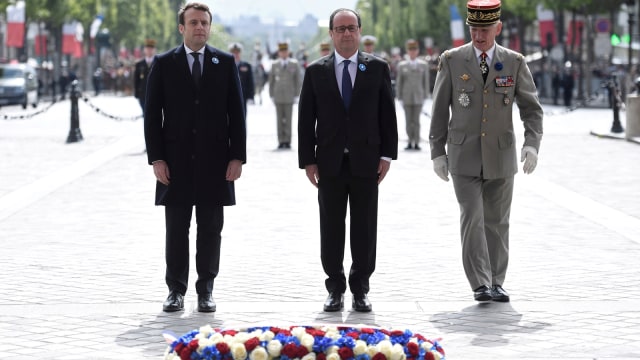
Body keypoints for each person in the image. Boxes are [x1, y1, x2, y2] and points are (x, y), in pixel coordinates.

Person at [428, 0, 542, 303]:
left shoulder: (515, 61)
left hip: (501, 155)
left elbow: (532, 110)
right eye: (475, 29)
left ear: (498, 28)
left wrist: (532, 144)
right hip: (463, 155)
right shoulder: (452, 60)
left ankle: (496, 280)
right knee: (472, 217)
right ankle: (479, 282)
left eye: (485, 29)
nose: (479, 36)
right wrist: (437, 151)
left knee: (497, 221)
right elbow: (439, 110)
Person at [144, 2, 246, 313]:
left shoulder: (225, 62)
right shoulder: (163, 63)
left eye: (204, 22)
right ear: (181, 27)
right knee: (176, 228)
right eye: (193, 22)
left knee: (210, 228)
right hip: (174, 162)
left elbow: (237, 114)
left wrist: (237, 157)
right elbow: (152, 116)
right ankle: (176, 289)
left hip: (215, 162)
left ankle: (206, 289)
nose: (200, 27)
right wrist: (157, 159)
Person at [298, 8, 398, 313]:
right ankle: (334, 287)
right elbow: (305, 120)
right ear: (330, 34)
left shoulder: (377, 68)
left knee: (365, 225)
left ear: (359, 31)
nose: (346, 34)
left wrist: (386, 154)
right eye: (339, 29)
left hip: (367, 161)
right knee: (331, 226)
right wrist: (308, 160)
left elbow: (387, 115)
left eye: (351, 28)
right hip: (329, 162)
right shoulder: (316, 71)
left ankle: (361, 288)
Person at [395, 39, 429, 150]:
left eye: (414, 49)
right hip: (406, 97)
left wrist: (425, 95)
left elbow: (426, 81)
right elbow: (399, 82)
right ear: (407, 51)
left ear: (417, 51)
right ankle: (410, 141)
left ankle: (417, 142)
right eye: (410, 50)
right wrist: (399, 96)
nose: (412, 52)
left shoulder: (423, 65)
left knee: (417, 121)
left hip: (419, 96)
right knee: (408, 121)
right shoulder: (402, 65)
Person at [269, 42, 301, 149]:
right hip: (278, 95)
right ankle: (280, 140)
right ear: (279, 53)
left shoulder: (294, 63)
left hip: (289, 95)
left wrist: (297, 95)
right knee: (279, 120)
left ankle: (287, 140)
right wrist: (271, 95)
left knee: (288, 119)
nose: (283, 53)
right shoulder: (274, 64)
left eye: (285, 51)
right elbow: (271, 81)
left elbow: (297, 80)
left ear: (288, 52)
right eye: (281, 51)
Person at [229, 42, 255, 119]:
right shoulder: (226, 64)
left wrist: (251, 96)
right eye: (234, 52)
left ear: (240, 53)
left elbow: (250, 82)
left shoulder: (246, 65)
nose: (236, 54)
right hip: (229, 95)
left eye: (237, 52)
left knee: (242, 117)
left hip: (243, 95)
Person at [134, 39, 157, 115]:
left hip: (156, 94)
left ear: (154, 50)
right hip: (143, 94)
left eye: (151, 49)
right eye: (147, 48)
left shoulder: (159, 63)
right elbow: (136, 80)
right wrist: (136, 94)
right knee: (145, 114)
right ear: (144, 50)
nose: (149, 50)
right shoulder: (139, 64)